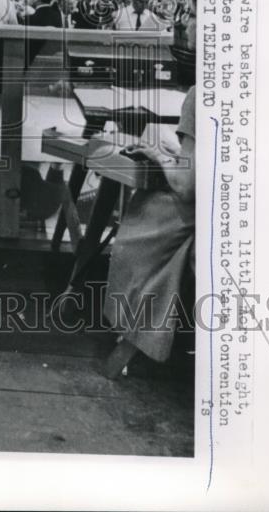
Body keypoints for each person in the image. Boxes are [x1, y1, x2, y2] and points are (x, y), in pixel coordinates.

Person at [104, 84, 196, 366]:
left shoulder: (202, 93)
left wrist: (160, 155)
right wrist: (180, 155)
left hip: (208, 214)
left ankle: (131, 332)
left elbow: (186, 187)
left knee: (143, 215)